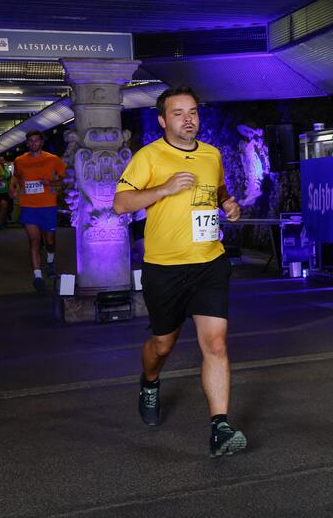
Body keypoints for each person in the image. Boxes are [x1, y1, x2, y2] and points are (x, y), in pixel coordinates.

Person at [113, 87, 246, 458]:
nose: (188, 119)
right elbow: (121, 203)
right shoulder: (149, 156)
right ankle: (150, 381)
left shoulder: (212, 154)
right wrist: (164, 188)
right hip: (165, 269)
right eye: (178, 113)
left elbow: (218, 191)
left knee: (216, 344)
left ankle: (219, 427)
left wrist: (229, 205)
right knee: (162, 345)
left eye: (192, 112)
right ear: (162, 120)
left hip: (209, 262)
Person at [11, 131, 66, 293]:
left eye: (37, 140)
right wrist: (11, 186)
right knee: (34, 240)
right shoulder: (19, 160)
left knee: (50, 241)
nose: (34, 143)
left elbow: (65, 179)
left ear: (42, 142)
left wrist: (51, 182)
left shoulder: (53, 159)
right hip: (28, 206)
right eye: (31, 141)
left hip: (48, 206)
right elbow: (16, 177)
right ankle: (38, 276)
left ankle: (50, 261)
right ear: (27, 144)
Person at [0, 154, 12, 229]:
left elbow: (9, 179)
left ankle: (1, 223)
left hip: (5, 192)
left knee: (4, 206)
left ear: (5, 161)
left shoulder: (7, 169)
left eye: (2, 160)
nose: (1, 162)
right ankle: (0, 222)